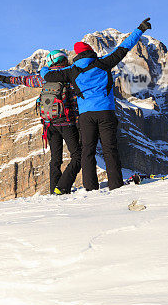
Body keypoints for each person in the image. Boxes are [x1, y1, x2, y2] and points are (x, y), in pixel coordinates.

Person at [41, 18, 152, 191]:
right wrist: (140, 29)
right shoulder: (104, 62)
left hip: (86, 116)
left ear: (77, 56)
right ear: (91, 51)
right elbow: (124, 48)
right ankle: (115, 185)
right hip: (106, 112)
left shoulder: (71, 71)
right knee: (110, 149)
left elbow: (47, 76)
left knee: (87, 151)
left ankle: (90, 187)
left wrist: (44, 67)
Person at [0, 50, 82, 195]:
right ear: (64, 60)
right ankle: (62, 186)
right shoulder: (70, 75)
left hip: (49, 124)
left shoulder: (44, 78)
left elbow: (24, 80)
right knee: (77, 155)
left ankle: (54, 190)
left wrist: (5, 79)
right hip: (67, 123)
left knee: (55, 159)